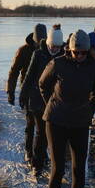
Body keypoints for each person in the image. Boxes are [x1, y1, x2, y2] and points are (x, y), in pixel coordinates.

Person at [38, 30, 95, 188]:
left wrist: (87, 112)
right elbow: (43, 84)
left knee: (79, 169)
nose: (79, 56)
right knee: (58, 169)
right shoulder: (58, 63)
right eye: (76, 52)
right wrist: (53, 104)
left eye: (83, 53)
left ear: (88, 51)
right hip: (56, 121)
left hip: (80, 123)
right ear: (70, 50)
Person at [20, 28, 63, 174]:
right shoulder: (38, 54)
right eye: (52, 46)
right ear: (48, 43)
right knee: (40, 131)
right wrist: (23, 94)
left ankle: (44, 156)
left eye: (58, 47)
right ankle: (37, 164)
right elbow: (29, 75)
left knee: (50, 132)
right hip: (37, 99)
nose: (54, 49)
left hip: (55, 101)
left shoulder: (64, 56)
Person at [7, 24, 45, 105]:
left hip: (44, 88)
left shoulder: (49, 49)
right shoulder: (23, 50)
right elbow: (14, 71)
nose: (40, 45)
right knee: (30, 112)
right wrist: (10, 91)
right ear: (34, 40)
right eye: (38, 42)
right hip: (28, 87)